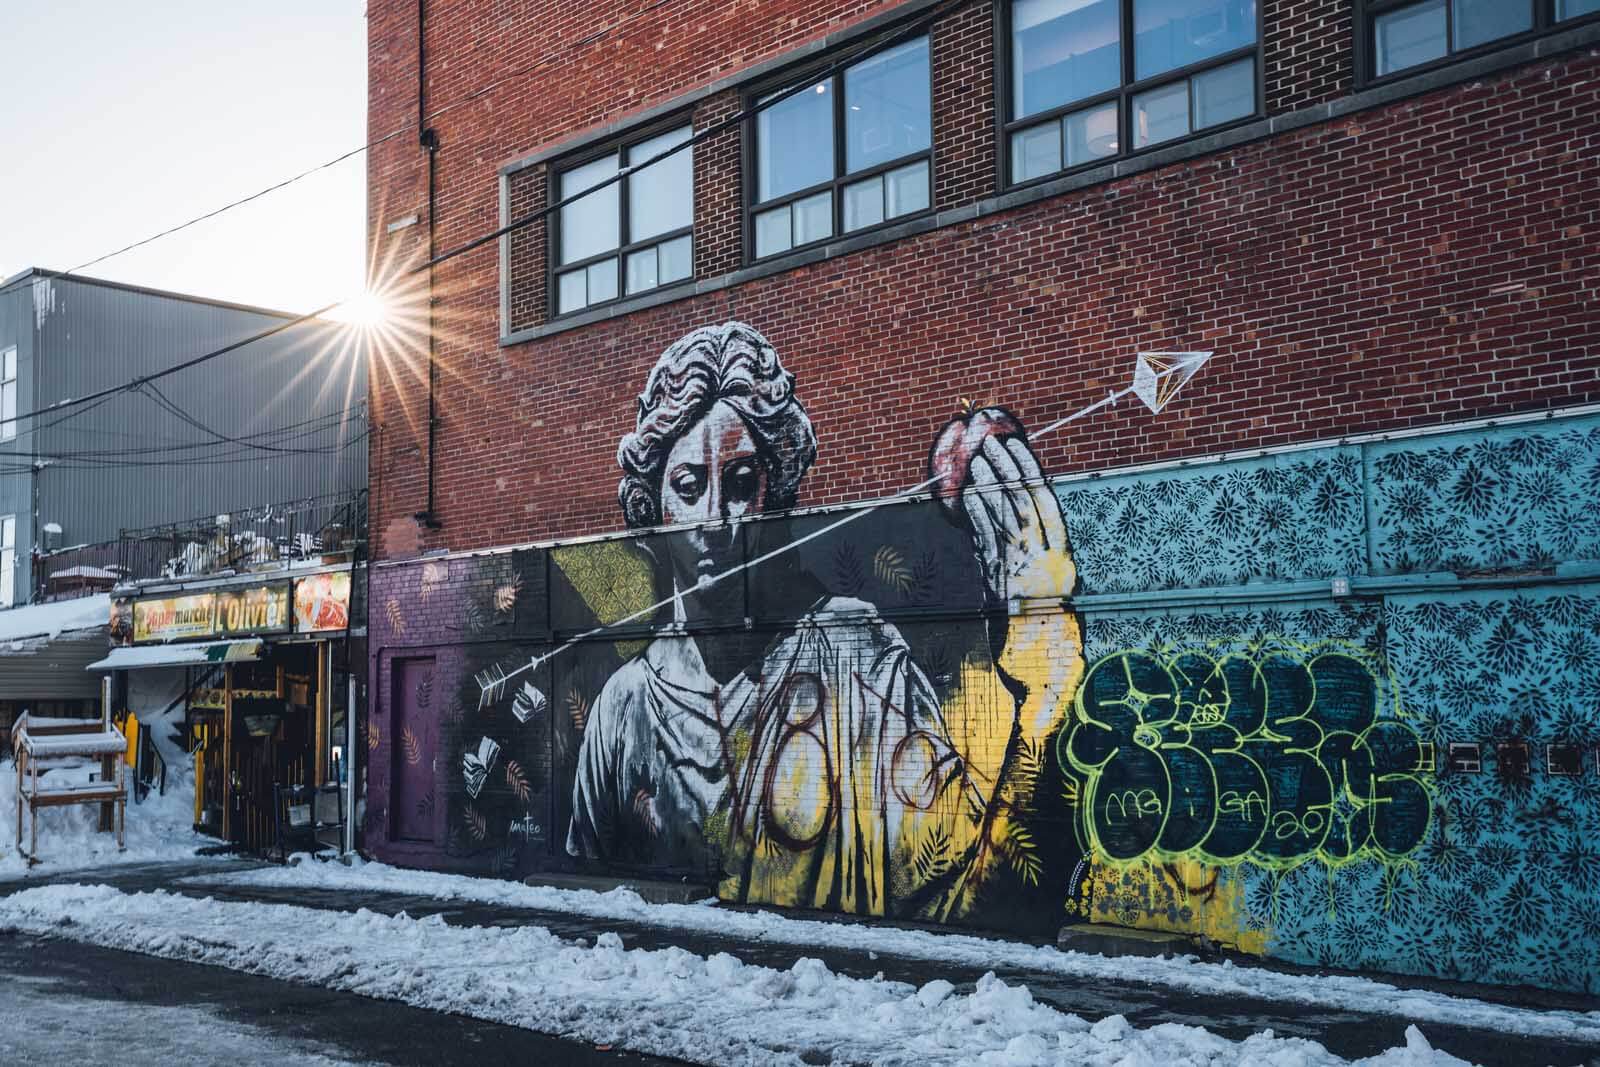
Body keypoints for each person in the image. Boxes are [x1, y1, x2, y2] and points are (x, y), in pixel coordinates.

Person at [566, 321, 1082, 919]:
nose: (714, 518)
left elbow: (962, 899)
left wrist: (1045, 693)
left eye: (740, 484)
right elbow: (591, 903)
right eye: (687, 485)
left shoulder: (853, 656)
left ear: (776, 494)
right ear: (652, 506)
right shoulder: (624, 707)